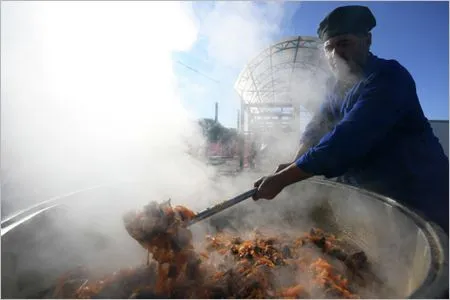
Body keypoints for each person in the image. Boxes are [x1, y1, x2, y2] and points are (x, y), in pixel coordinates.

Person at [252, 5, 449, 233]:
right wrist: (294, 160)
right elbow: (316, 127)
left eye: (344, 43)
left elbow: (347, 139)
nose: (336, 55)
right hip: (374, 200)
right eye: (329, 48)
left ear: (367, 40)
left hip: (421, 199)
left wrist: (283, 179)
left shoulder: (388, 77)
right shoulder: (337, 88)